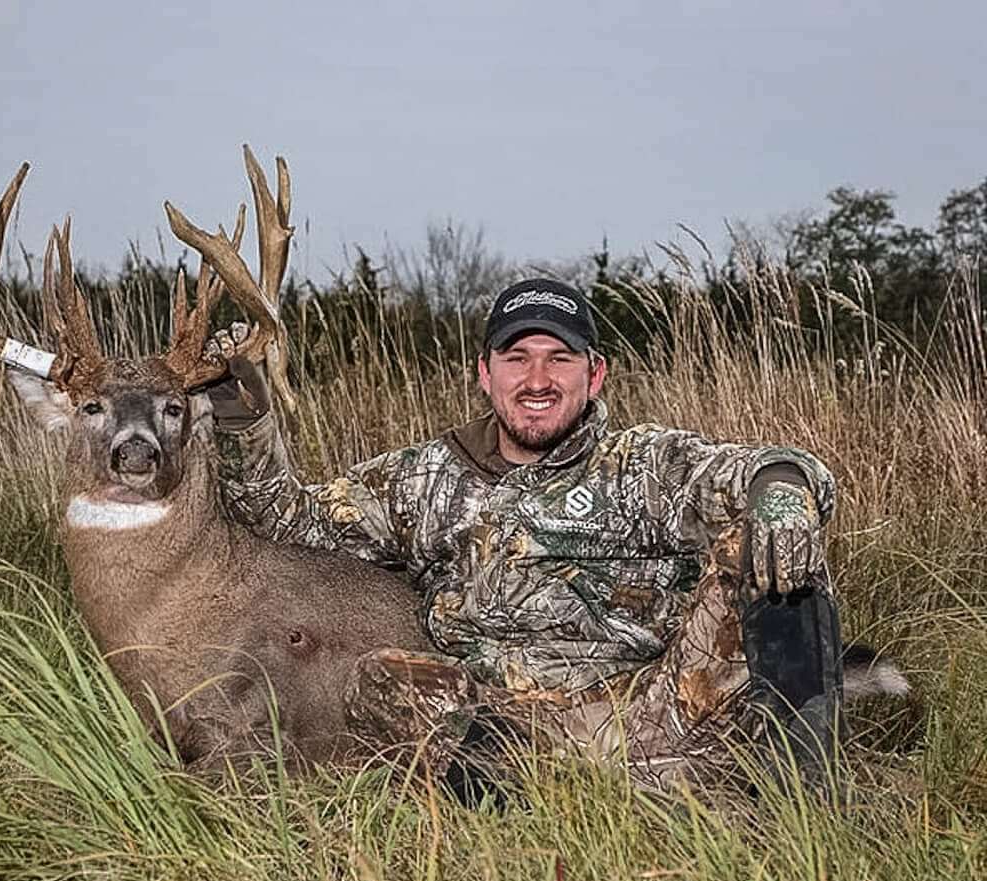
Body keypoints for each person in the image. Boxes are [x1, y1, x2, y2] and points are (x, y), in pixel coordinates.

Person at [205, 277, 848, 791]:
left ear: (593, 376)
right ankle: (570, 797)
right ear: (486, 373)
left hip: (658, 710)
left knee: (771, 540)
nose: (537, 381)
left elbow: (762, 470)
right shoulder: (423, 479)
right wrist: (242, 414)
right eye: (518, 359)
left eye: (558, 359)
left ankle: (798, 790)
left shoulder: (640, 463)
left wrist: (784, 492)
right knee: (382, 679)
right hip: (500, 725)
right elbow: (289, 519)